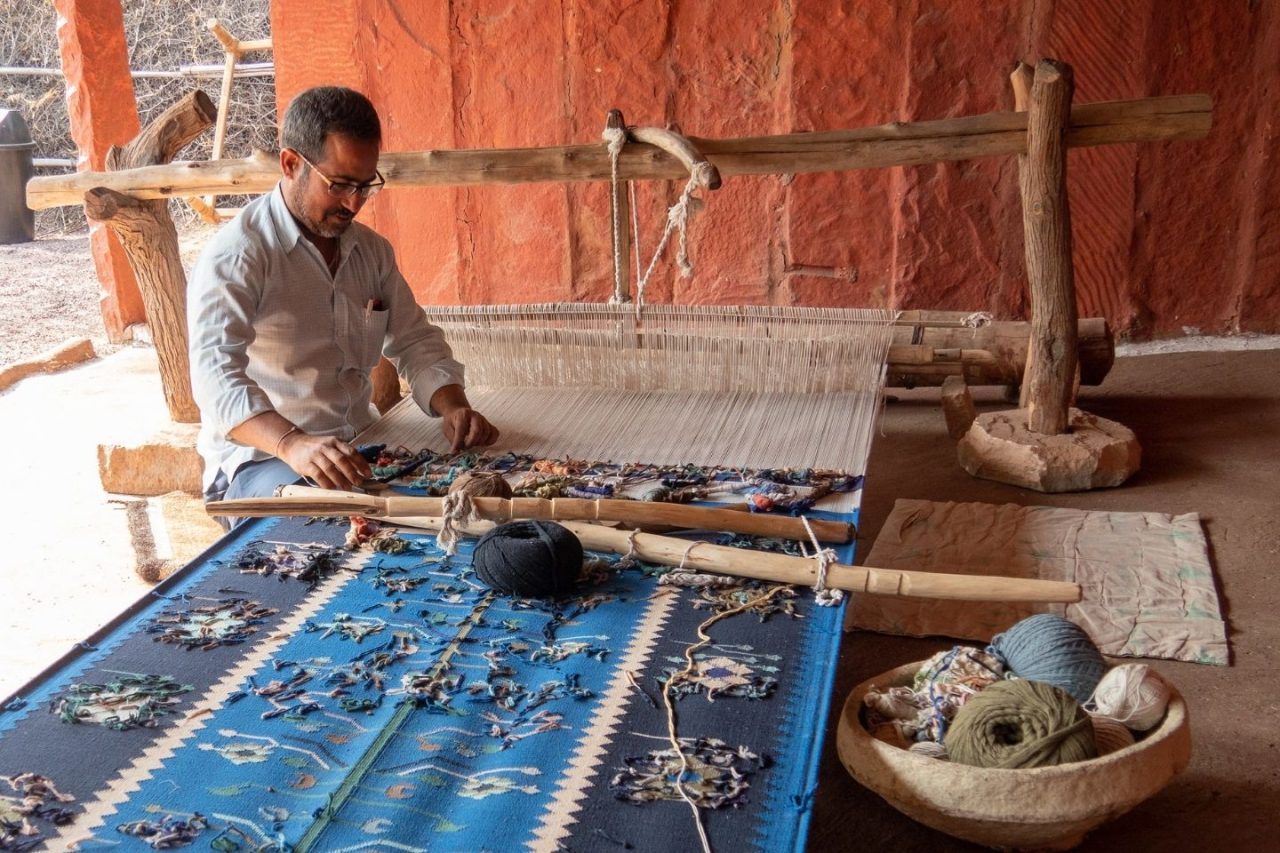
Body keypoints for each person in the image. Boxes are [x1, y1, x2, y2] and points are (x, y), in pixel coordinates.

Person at [188, 86, 497, 528]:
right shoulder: (239, 256)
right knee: (345, 536)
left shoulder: (370, 253)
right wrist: (293, 444)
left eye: (366, 185)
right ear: (291, 164)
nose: (354, 203)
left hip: (360, 447)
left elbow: (414, 340)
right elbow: (215, 378)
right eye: (340, 185)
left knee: (475, 506)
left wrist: (452, 407)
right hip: (260, 462)